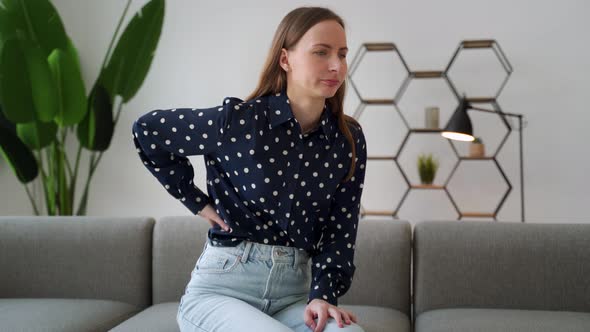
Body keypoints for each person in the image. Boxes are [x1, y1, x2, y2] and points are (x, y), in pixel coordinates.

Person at [131, 6, 367, 332]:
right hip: (221, 292)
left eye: (342, 54)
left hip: (294, 298)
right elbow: (149, 130)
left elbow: (341, 231)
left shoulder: (347, 139)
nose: (336, 66)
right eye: (321, 52)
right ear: (286, 60)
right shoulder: (240, 122)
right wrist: (195, 201)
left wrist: (323, 295)